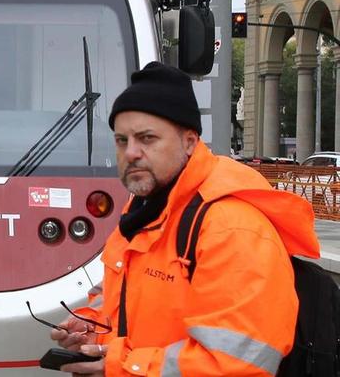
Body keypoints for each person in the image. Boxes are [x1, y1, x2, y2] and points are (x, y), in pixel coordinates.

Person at [48, 62, 320, 376]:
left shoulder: (230, 227)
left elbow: (237, 364)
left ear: (189, 142)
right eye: (122, 141)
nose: (131, 153)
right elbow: (127, 296)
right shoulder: (145, 209)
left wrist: (124, 366)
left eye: (147, 138)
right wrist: (90, 325)